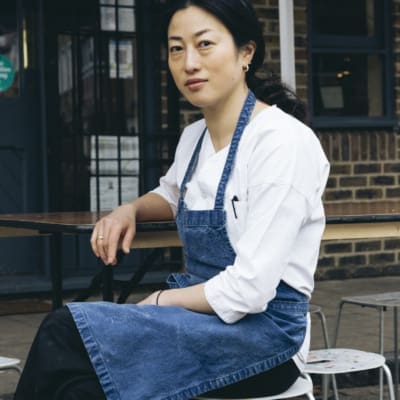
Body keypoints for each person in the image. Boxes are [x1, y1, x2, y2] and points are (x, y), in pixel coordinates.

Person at [14, 1, 330, 399]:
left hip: (265, 339)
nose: (189, 62)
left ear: (246, 52)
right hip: (199, 322)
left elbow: (250, 290)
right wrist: (128, 210)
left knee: (64, 330)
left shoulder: (282, 142)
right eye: (176, 48)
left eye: (204, 45)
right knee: (79, 386)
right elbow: (172, 193)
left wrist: (160, 301)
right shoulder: (194, 137)